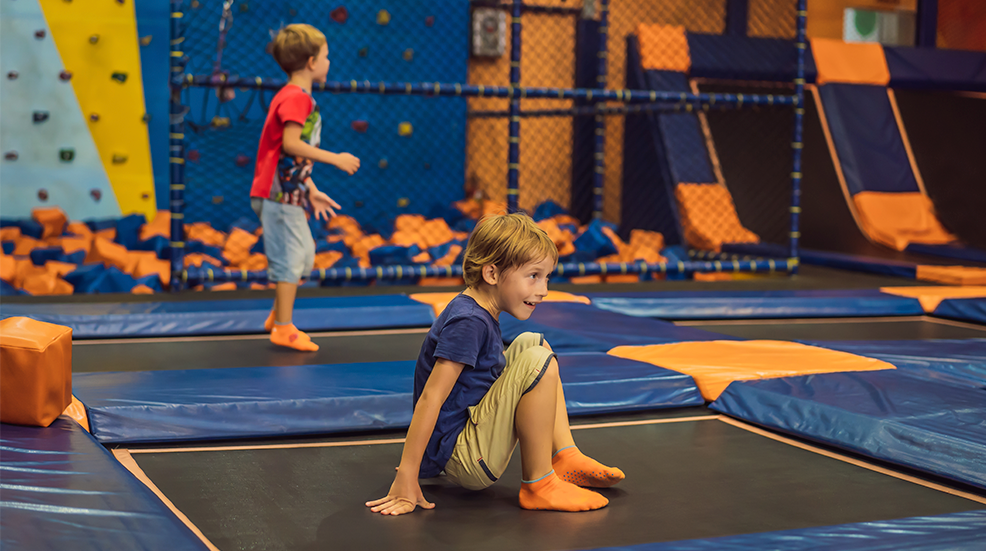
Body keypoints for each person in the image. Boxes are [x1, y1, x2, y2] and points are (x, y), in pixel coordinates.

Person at [366, 213, 624, 515]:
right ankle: (539, 484)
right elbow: (431, 397)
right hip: (464, 457)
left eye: (546, 277)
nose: (543, 290)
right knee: (536, 359)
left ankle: (566, 454)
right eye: (533, 276)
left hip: (460, 441)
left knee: (534, 343)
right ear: (491, 274)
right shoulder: (469, 322)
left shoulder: (476, 309)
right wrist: (407, 475)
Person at [250, 24, 360, 351]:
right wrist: (335, 158)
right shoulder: (297, 99)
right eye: (327, 56)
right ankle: (283, 327)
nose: (330, 62)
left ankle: (276, 314)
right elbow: (291, 144)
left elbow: (285, 155)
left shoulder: (295, 97)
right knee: (291, 258)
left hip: (288, 191)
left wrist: (310, 188)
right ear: (312, 62)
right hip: (277, 194)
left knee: (305, 257)